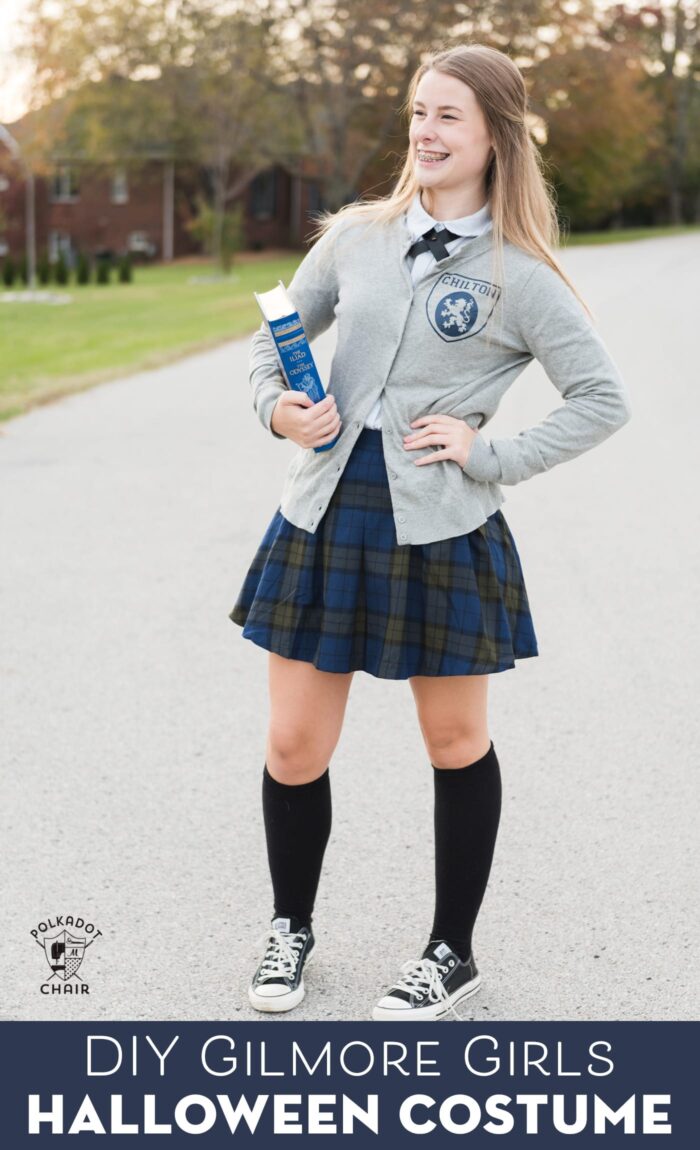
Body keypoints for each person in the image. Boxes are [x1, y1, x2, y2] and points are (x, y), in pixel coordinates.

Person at [230, 43, 631, 1020]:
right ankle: (290, 928)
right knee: (291, 744)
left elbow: (600, 399)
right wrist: (281, 410)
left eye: (449, 115)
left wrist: (485, 454)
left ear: (495, 137)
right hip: (322, 517)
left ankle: (451, 950)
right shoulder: (357, 237)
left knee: (454, 739)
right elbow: (267, 342)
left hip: (443, 529)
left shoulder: (520, 274)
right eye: (418, 111)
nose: (425, 130)